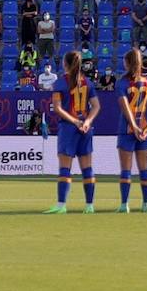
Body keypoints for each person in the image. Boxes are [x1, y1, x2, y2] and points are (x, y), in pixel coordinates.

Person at [43, 50, 99, 214]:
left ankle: (61, 205)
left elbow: (57, 108)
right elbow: (96, 106)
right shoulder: (87, 83)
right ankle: (89, 205)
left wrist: (74, 121)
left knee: (65, 168)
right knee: (87, 168)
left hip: (69, 128)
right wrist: (87, 121)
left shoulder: (61, 83)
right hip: (85, 129)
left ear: (65, 64)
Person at [114, 48, 147, 213]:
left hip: (128, 130)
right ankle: (146, 204)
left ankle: (124, 204)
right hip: (144, 129)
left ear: (127, 63)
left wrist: (134, 127)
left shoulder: (122, 83)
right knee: (144, 168)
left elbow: (125, 108)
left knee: (126, 169)